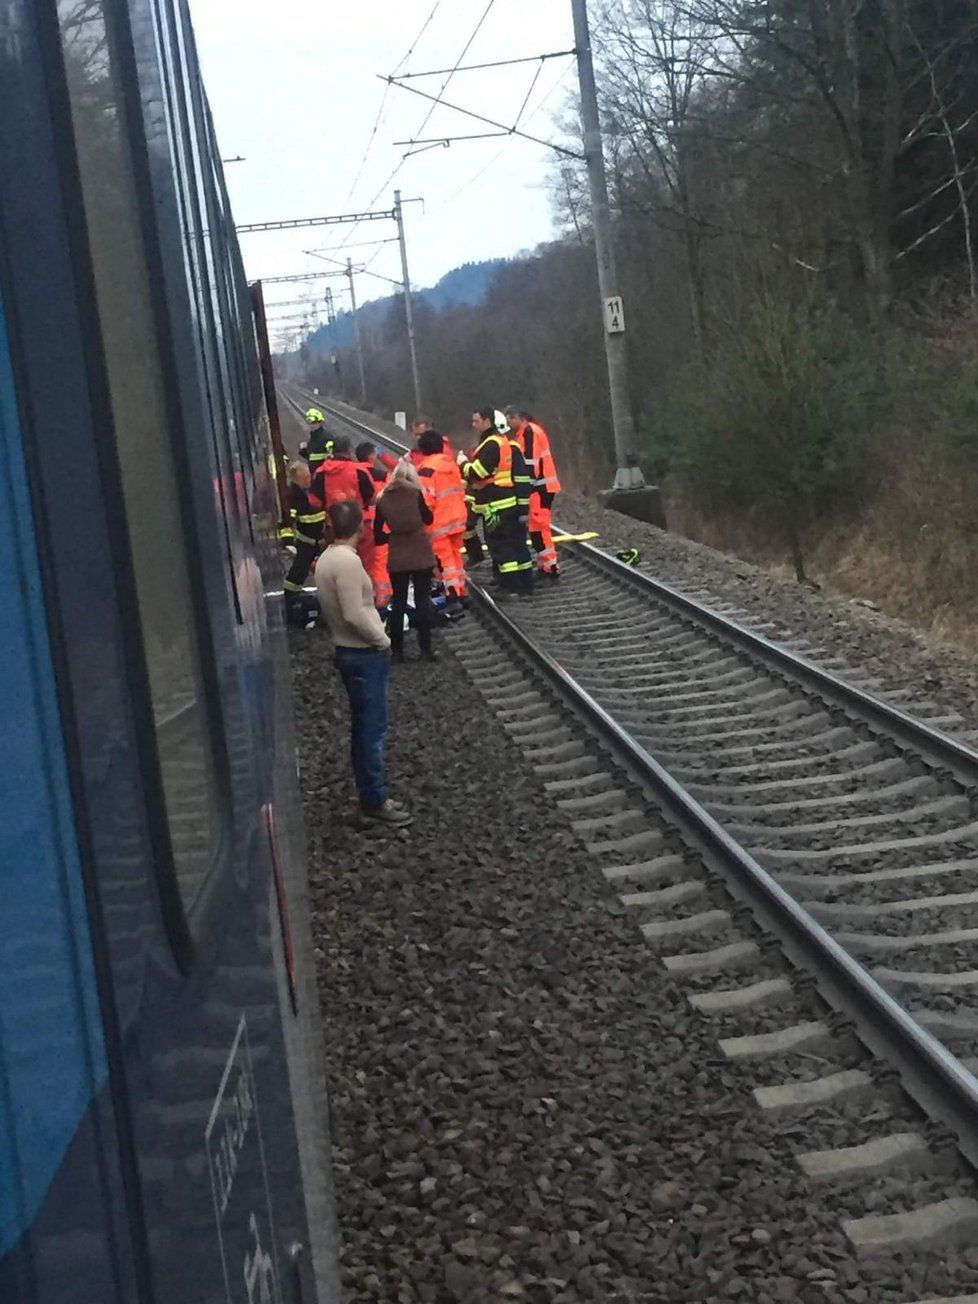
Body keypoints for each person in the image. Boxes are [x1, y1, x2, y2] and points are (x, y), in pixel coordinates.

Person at [315, 499, 412, 827]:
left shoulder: (328, 559)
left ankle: (371, 794)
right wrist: (382, 640)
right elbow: (354, 612)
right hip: (362, 652)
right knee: (372, 730)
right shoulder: (348, 563)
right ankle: (375, 799)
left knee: (363, 729)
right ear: (360, 526)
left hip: (348, 651)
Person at [462, 408, 534, 596]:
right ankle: (525, 582)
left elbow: (477, 473)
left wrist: (462, 464)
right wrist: (523, 507)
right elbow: (521, 480)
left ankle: (510, 586)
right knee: (518, 544)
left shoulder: (492, 445)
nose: (473, 425)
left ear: (488, 421)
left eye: (476, 421)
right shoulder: (508, 445)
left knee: (501, 547)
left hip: (496, 505)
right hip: (509, 503)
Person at [374, 459, 437, 662]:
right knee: (422, 601)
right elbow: (428, 519)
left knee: (399, 602)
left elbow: (378, 535)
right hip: (420, 552)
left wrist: (394, 536)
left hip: (398, 556)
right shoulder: (415, 494)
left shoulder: (382, 499)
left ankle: (398, 652)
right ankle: (425, 650)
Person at [504, 405, 562, 579]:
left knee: (539, 528)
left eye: (510, 420)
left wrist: (524, 488)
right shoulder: (527, 432)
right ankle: (547, 564)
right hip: (541, 486)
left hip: (539, 487)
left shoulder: (529, 432)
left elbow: (530, 463)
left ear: (518, 417)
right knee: (538, 527)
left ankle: (550, 566)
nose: (508, 424)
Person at [416, 429, 467, 608]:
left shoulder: (426, 469)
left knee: (445, 561)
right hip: (458, 517)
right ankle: (461, 590)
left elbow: (426, 499)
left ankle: (452, 593)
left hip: (439, 522)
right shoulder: (450, 464)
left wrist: (422, 520)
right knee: (455, 556)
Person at [283, 460, 325, 624]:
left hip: (322, 537)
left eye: (309, 476)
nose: (309, 480)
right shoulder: (293, 496)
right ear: (295, 480)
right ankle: (290, 599)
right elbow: (288, 520)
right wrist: (287, 542)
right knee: (299, 571)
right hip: (306, 540)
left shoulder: (314, 488)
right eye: (304, 478)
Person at [354, 440, 392, 611]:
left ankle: (363, 598)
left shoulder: (352, 473)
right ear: (371, 456)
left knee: (360, 562)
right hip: (380, 524)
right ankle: (382, 599)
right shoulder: (382, 475)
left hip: (357, 523)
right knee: (379, 562)